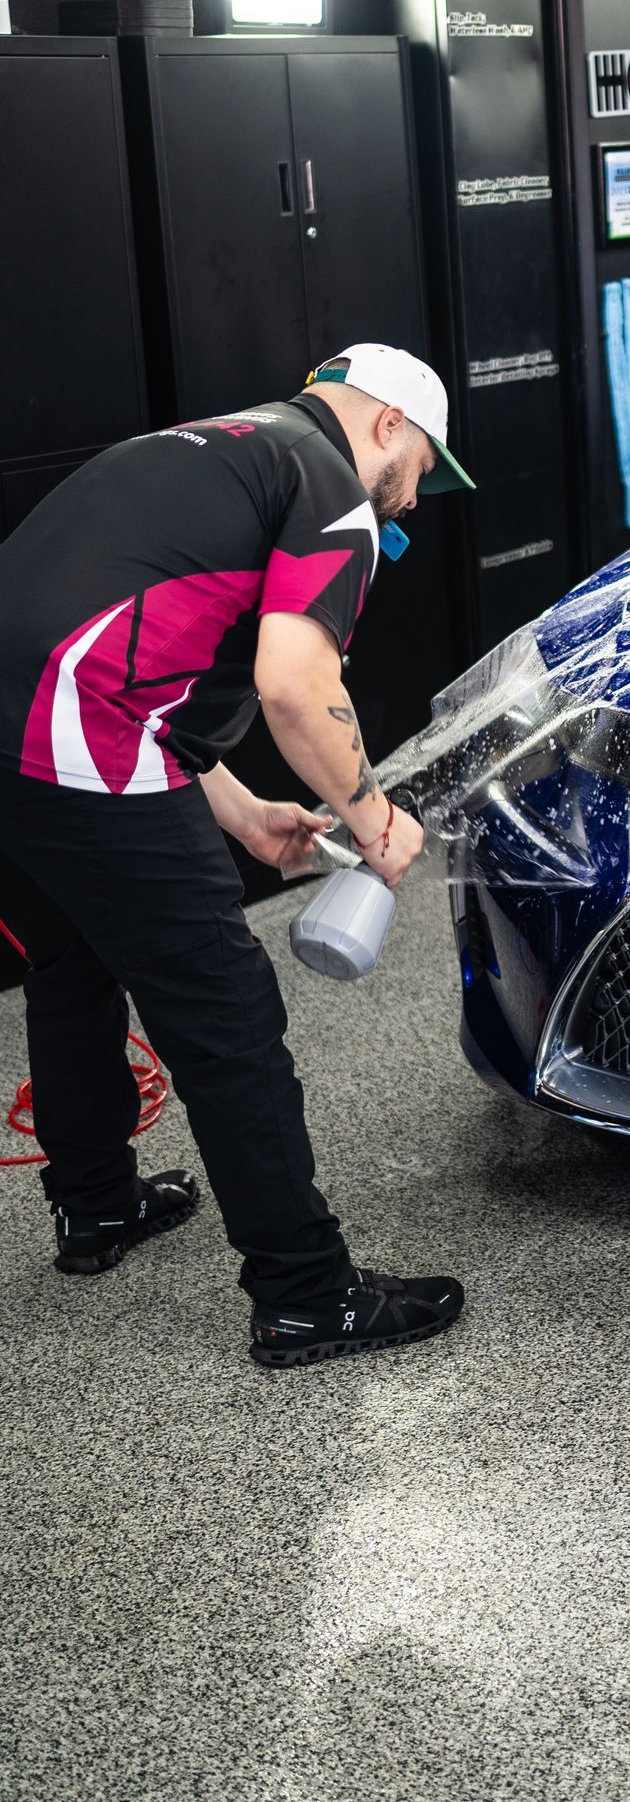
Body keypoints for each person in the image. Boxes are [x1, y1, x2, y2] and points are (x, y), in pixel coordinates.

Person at [0, 344, 474, 1371]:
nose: (417, 498)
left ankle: (96, 1208)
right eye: (427, 465)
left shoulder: (219, 445)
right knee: (228, 1016)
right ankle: (305, 1294)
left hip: (21, 734)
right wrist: (373, 812)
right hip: (74, 737)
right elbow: (295, 686)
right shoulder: (336, 490)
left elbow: (120, 649)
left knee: (74, 960)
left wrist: (246, 810)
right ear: (389, 422)